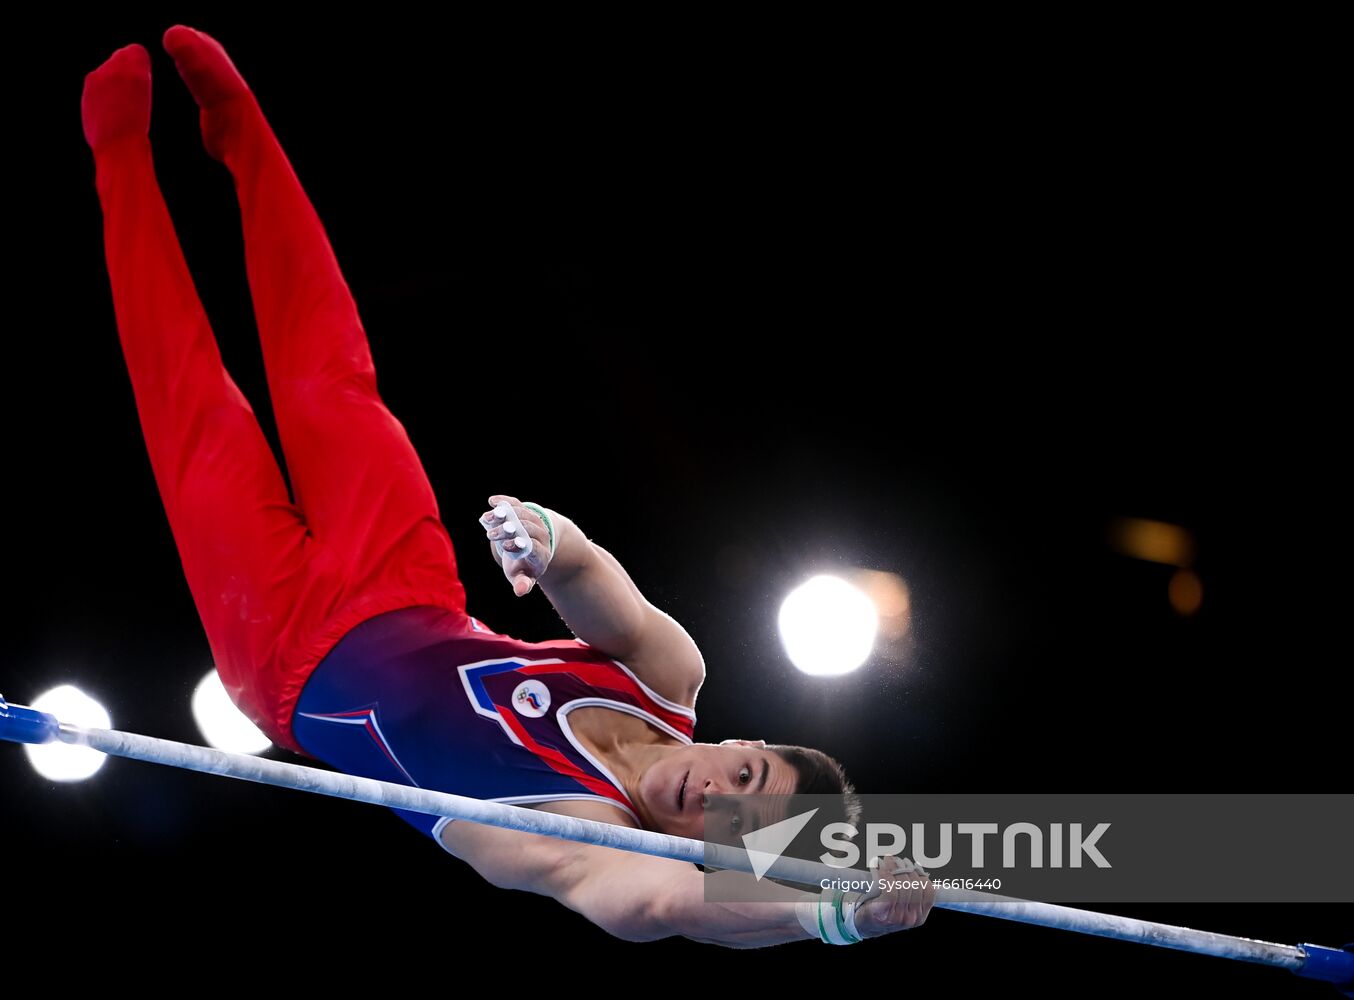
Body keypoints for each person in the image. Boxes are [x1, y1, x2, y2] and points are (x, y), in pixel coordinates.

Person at [80, 24, 934, 946]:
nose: (716, 792)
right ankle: (239, 130)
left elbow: (653, 907)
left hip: (285, 656)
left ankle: (119, 154)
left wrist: (825, 911)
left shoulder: (584, 832)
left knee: (192, 408)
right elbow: (595, 584)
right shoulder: (668, 679)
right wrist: (547, 538)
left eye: (734, 823)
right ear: (748, 742)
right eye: (748, 776)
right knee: (328, 369)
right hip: (408, 582)